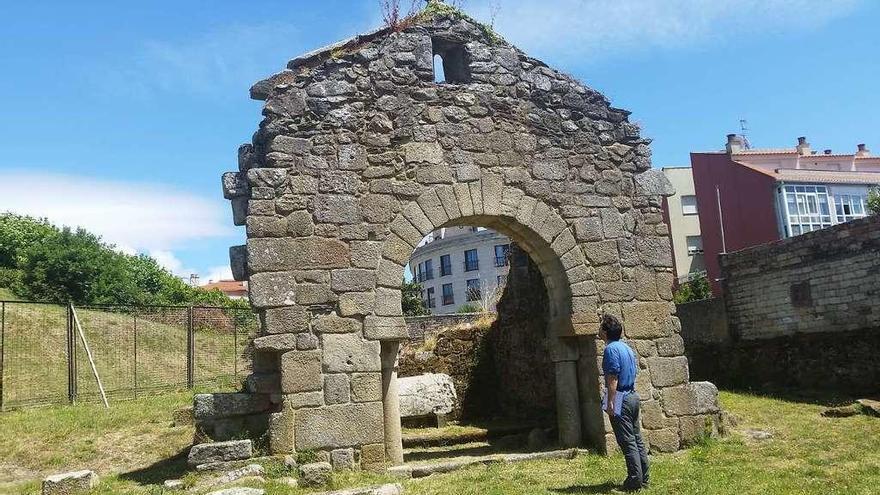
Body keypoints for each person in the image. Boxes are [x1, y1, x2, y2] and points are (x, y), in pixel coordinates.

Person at [600, 314, 649, 491]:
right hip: (633, 396)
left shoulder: (610, 349)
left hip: (622, 398)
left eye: (600, 327)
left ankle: (634, 482)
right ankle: (644, 478)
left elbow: (613, 377)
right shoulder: (626, 348)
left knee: (627, 441)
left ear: (605, 332)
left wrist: (611, 402)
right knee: (636, 439)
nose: (599, 330)